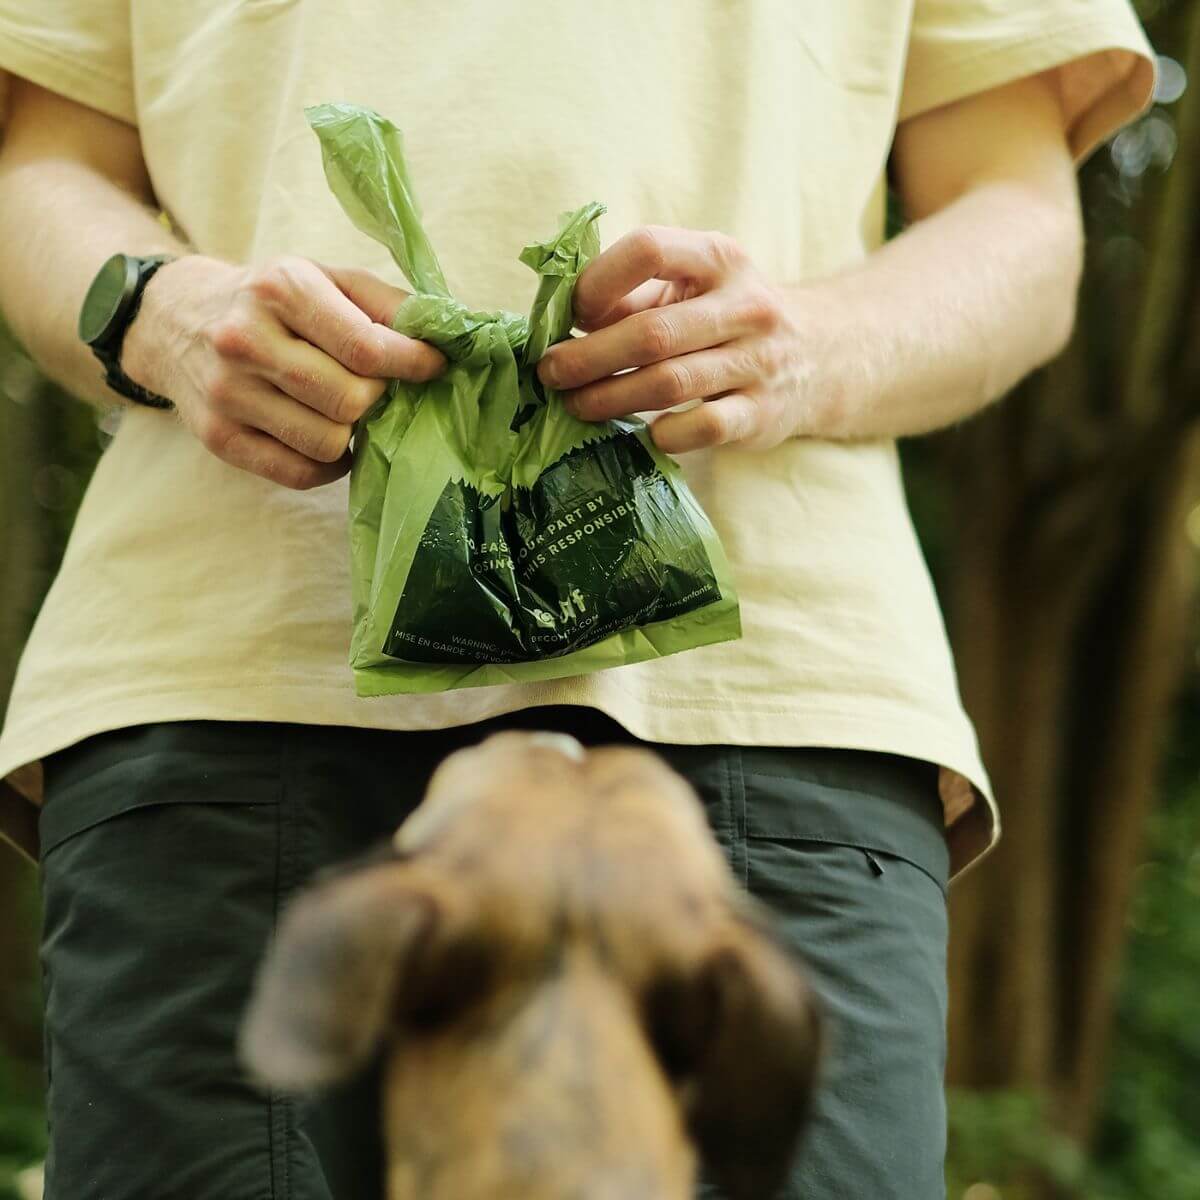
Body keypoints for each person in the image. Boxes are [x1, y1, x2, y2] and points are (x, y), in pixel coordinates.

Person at [0, 2, 1155, 1197]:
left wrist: (809, 343)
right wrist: (157, 311)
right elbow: (40, 167)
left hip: (773, 691)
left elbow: (1018, 217)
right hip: (225, 678)